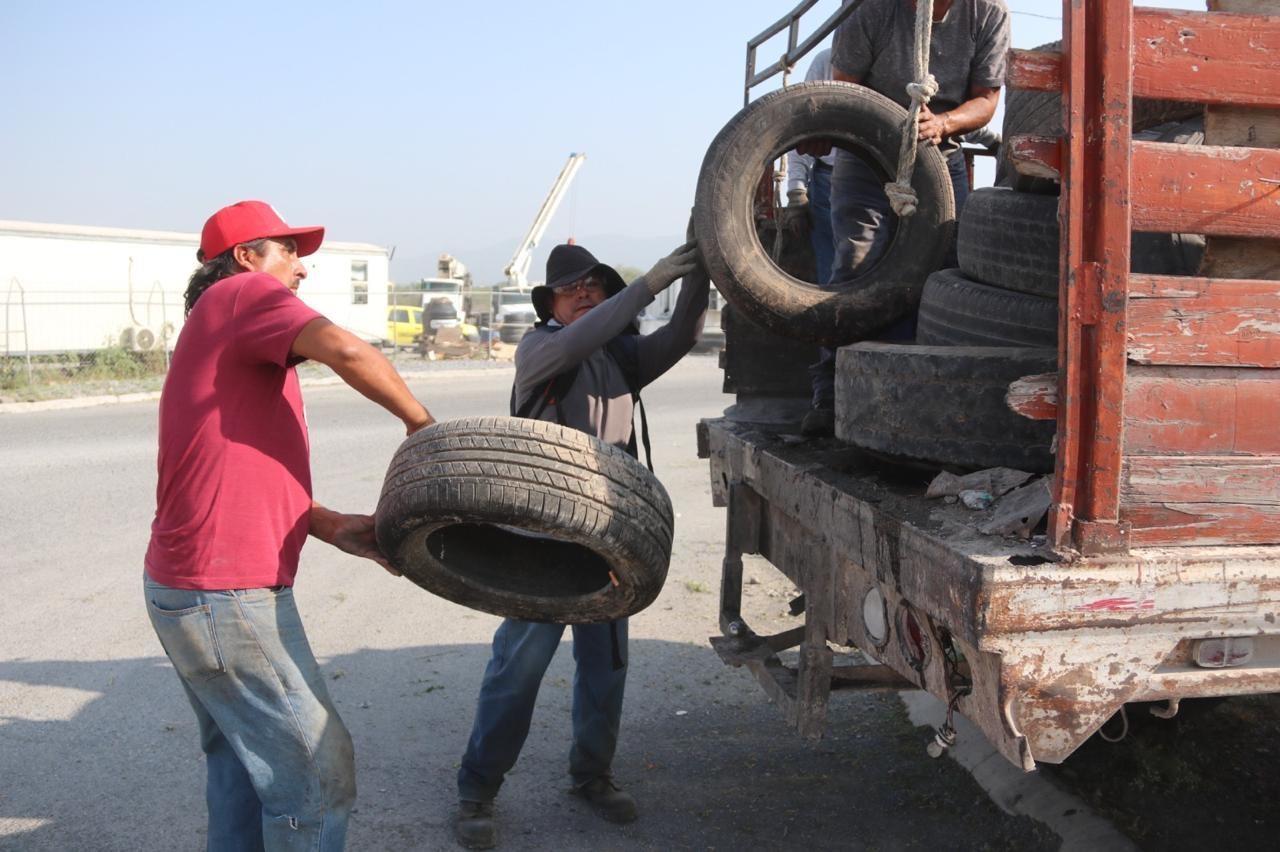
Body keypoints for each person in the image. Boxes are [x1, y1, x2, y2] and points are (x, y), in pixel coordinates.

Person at [144, 200, 436, 850]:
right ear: (247, 257)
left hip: (192, 590)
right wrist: (423, 426)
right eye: (289, 251)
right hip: (227, 598)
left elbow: (230, 474)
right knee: (316, 776)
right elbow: (347, 349)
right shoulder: (243, 295)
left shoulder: (219, 331)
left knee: (245, 767)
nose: (302, 269)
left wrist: (329, 526)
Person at [453, 238, 705, 849]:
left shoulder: (623, 357)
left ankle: (592, 776)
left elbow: (683, 335)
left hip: (611, 539)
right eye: (571, 288)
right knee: (520, 668)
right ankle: (477, 791)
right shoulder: (540, 349)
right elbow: (574, 342)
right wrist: (645, 285)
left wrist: (704, 272)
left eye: (595, 284)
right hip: (541, 541)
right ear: (551, 304)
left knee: (605, 668)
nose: (585, 292)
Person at [802, 0, 1011, 436]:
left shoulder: (989, 11)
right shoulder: (872, 7)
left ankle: (933, 401)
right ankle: (831, 392)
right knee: (856, 264)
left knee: (944, 273)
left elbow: (987, 99)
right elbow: (847, 88)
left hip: (940, 152)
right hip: (865, 152)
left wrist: (946, 122)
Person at [785, 48, 838, 286]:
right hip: (830, 178)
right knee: (832, 269)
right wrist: (797, 192)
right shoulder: (826, 61)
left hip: (886, 178)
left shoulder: (900, 58)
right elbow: (804, 127)